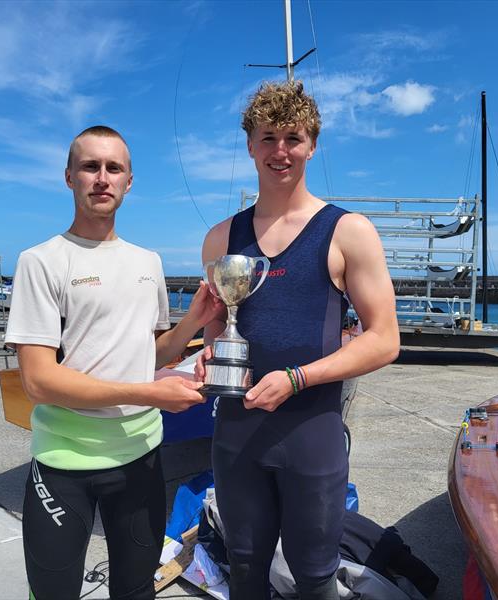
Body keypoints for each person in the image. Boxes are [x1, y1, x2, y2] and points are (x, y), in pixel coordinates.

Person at [197, 81, 400, 600]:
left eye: (293, 137)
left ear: (313, 144)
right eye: (267, 138)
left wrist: (298, 378)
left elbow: (384, 340)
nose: (280, 151)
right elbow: (219, 324)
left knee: (313, 577)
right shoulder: (222, 238)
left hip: (311, 433)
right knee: (243, 570)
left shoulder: (348, 231)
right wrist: (210, 352)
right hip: (236, 434)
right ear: (249, 146)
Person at [4, 125, 223, 600]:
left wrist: (191, 326)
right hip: (64, 464)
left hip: (140, 459)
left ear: (128, 181)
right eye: (90, 166)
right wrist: (150, 394)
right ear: (69, 177)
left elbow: (150, 355)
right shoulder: (41, 261)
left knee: (135, 590)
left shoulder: (148, 262)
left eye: (113, 168)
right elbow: (39, 381)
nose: (102, 178)